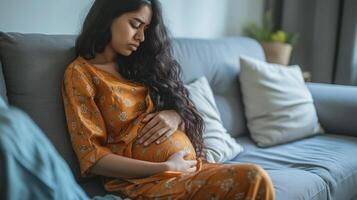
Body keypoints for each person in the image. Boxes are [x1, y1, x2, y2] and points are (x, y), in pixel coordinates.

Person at [61, 0, 275, 199]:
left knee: (257, 178)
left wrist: (175, 116)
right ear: (108, 17)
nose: (141, 37)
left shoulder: (138, 66)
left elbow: (185, 111)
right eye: (135, 24)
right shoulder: (80, 74)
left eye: (145, 29)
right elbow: (92, 158)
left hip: (187, 170)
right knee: (253, 177)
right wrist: (163, 167)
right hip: (145, 181)